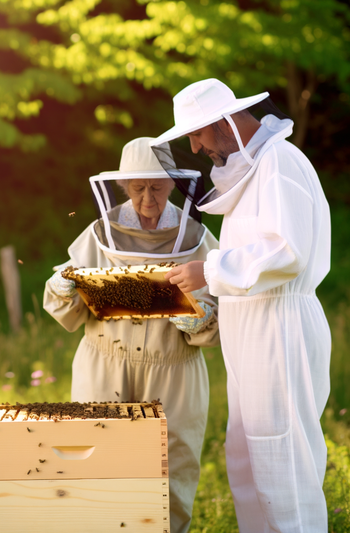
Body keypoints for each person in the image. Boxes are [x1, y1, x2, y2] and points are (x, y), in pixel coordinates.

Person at [151, 78, 331, 532]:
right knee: (252, 460)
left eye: (196, 133)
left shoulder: (279, 164)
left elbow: (286, 251)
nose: (194, 146)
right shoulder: (258, 168)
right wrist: (210, 276)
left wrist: (209, 271)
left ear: (225, 121)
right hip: (256, 333)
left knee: (284, 462)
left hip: (280, 329)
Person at [43, 137, 220, 533]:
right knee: (98, 465)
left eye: (156, 188)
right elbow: (66, 310)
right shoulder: (98, 233)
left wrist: (200, 317)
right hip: (105, 361)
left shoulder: (196, 237)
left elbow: (224, 311)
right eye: (138, 189)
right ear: (123, 187)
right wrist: (62, 286)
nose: (147, 199)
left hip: (174, 369)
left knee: (172, 470)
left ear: (173, 185)